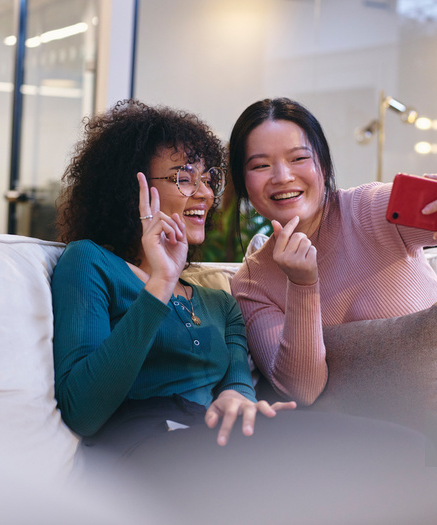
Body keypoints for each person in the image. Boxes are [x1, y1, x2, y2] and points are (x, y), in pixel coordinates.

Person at [227, 97, 437, 426]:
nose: (282, 176)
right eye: (260, 165)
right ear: (243, 182)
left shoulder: (369, 209)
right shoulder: (253, 282)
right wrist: (302, 284)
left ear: (325, 167)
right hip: (373, 428)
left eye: (299, 158)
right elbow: (302, 389)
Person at [51, 99, 295, 463]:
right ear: (129, 189)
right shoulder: (90, 262)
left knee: (363, 445)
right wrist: (160, 284)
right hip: (145, 451)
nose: (205, 194)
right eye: (184, 178)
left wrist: (236, 395)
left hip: (218, 441)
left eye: (208, 179)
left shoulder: (221, 303)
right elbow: (83, 412)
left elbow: (237, 377)